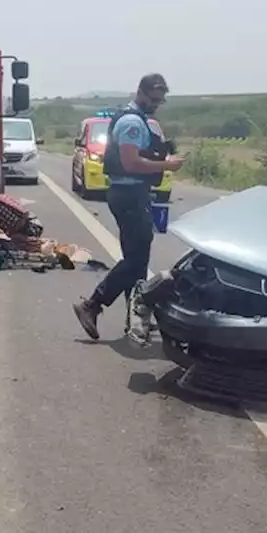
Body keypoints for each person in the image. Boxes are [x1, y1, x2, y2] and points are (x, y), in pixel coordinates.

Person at [73, 73, 183, 339]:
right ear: (141, 93)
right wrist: (166, 165)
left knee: (137, 258)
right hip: (130, 193)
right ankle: (92, 304)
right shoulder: (133, 122)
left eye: (160, 100)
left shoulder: (136, 119)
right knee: (135, 261)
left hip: (131, 192)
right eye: (153, 99)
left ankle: (135, 316)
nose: (156, 104)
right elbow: (131, 162)